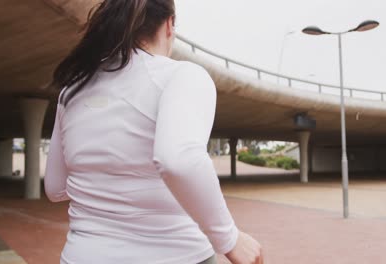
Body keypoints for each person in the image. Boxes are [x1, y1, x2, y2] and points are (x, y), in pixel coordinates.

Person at [44, 0, 263, 263]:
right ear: (169, 24)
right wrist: (230, 239)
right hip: (177, 256)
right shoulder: (182, 76)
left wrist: (104, 182)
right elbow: (178, 160)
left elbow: (55, 188)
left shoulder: (73, 89)